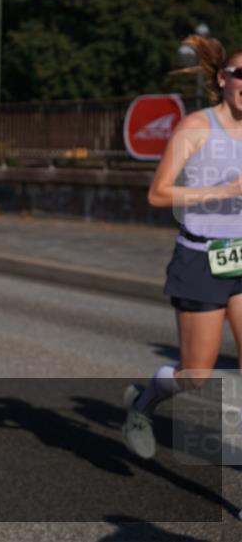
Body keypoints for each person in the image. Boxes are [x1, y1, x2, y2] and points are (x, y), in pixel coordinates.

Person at [122, 36, 242, 460]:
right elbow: (158, 194)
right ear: (223, 78)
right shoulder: (196, 128)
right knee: (195, 374)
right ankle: (143, 405)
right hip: (201, 258)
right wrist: (222, 191)